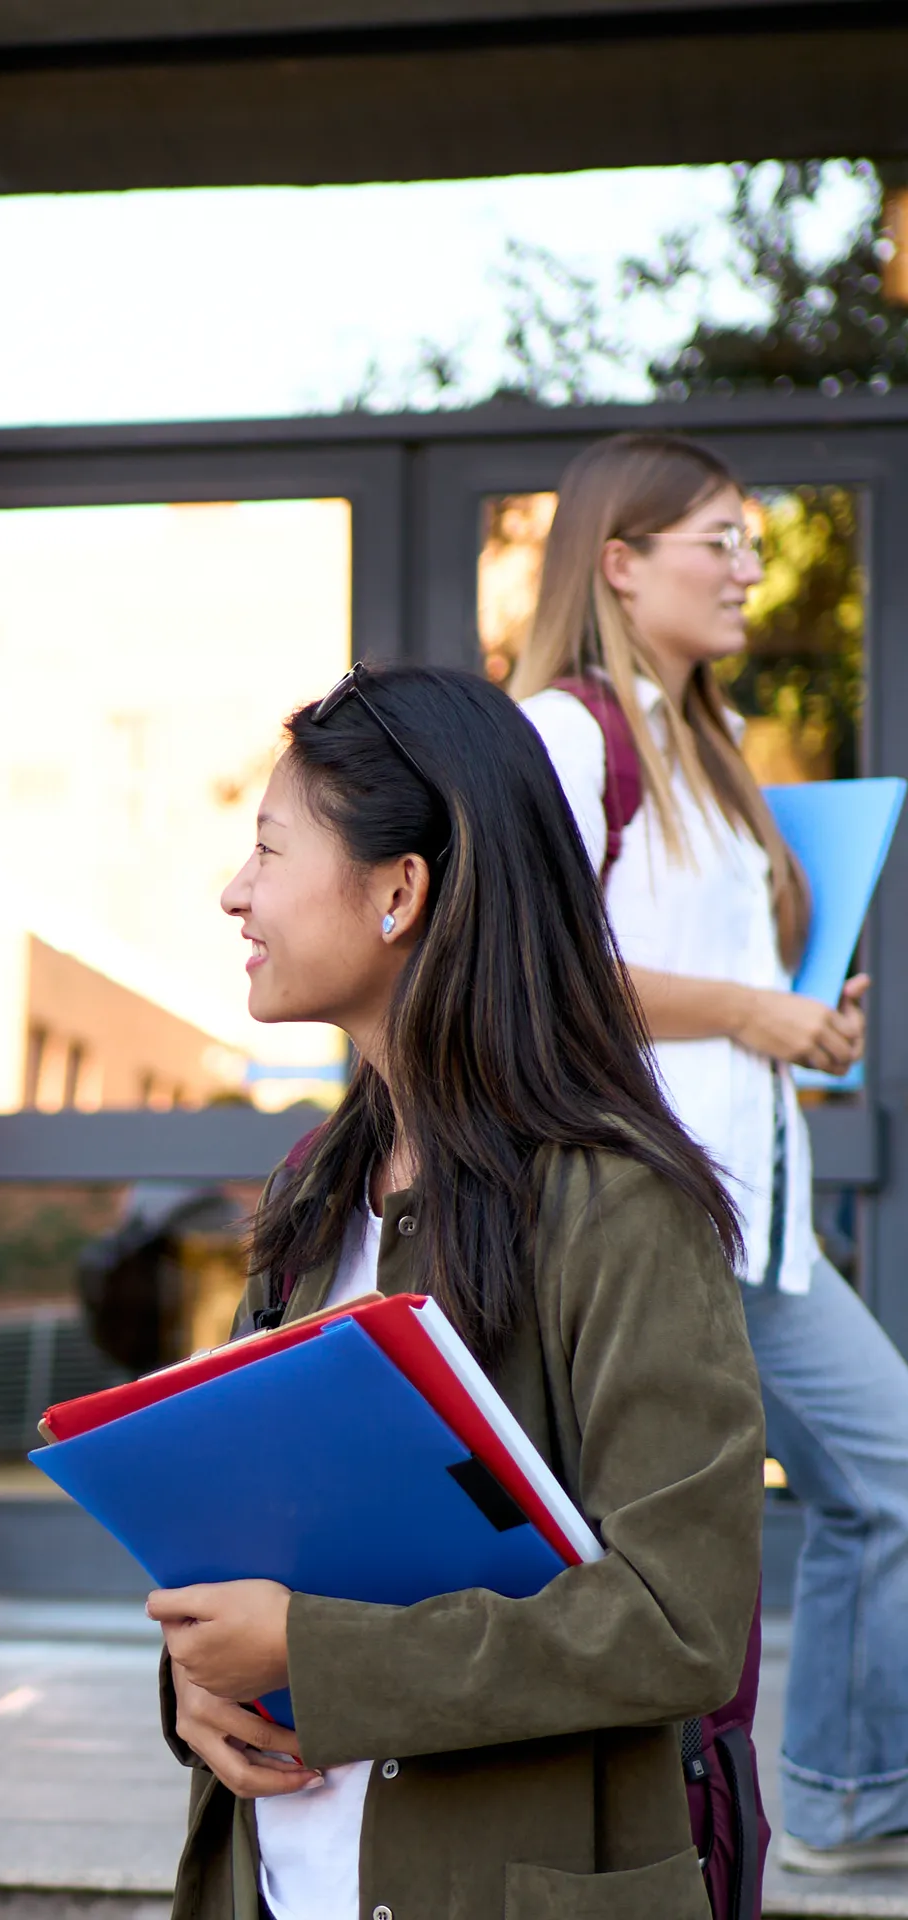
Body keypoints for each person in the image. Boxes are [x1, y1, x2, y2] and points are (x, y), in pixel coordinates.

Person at [160, 663, 762, 1918]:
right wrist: (198, 1690)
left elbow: (680, 1620)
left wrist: (313, 1654)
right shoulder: (309, 1199)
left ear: (398, 890)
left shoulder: (616, 1205)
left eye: (267, 849)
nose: (235, 891)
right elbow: (250, 1563)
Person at [511, 431, 908, 1875]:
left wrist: (806, 1023)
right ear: (619, 562)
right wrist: (753, 1009)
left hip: (755, 1218)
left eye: (752, 543)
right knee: (665, 1564)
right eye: (719, 544)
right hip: (636, 1221)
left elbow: (714, 971)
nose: (750, 570)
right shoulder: (564, 735)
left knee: (888, 1473)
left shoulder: (713, 746)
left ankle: (852, 1801)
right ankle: (670, 1843)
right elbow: (534, 966)